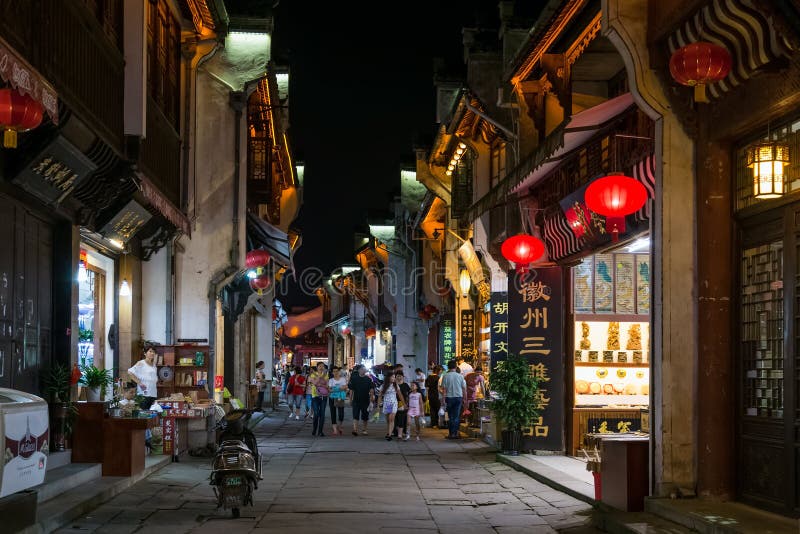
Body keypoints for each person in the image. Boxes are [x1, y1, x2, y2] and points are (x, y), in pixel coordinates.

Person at [440, 359, 467, 439]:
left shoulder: (445, 376)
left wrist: (443, 400)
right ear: (456, 366)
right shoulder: (460, 376)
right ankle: (455, 434)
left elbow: (444, 390)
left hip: (449, 398)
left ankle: (451, 434)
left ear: (448, 367)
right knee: (456, 416)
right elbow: (464, 389)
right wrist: (465, 400)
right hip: (458, 398)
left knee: (450, 416)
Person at [128, 343, 158, 410]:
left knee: (151, 416)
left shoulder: (154, 365)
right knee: (144, 415)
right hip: (144, 395)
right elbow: (130, 372)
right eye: (150, 351)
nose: (152, 353)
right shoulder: (141, 363)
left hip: (153, 394)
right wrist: (139, 383)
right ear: (145, 353)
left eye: (153, 352)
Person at [348, 364, 374, 436]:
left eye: (364, 369)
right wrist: (350, 399)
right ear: (359, 370)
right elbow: (351, 390)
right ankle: (355, 430)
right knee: (355, 415)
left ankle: (365, 429)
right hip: (356, 400)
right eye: (362, 369)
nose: (364, 370)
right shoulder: (354, 379)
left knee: (365, 416)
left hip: (365, 400)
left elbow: (371, 389)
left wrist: (371, 399)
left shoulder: (368, 379)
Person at [378, 373, 404, 441]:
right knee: (388, 420)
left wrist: (404, 403)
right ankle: (389, 432)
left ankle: (389, 435)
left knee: (391, 419)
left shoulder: (396, 385)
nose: (394, 378)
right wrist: (378, 406)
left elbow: (400, 395)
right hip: (387, 404)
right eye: (392, 377)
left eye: (394, 377)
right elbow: (380, 396)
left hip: (393, 404)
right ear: (388, 377)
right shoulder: (383, 386)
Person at [309, 362, 329, 437]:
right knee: (316, 413)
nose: (321, 367)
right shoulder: (313, 375)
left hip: (323, 396)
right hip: (315, 396)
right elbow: (314, 383)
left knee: (322, 414)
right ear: (317, 367)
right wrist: (319, 378)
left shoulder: (326, 375)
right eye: (320, 366)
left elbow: (327, 385)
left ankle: (320, 431)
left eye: (323, 366)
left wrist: (321, 383)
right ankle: (314, 429)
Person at [328, 366, 348, 436]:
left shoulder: (343, 379)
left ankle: (340, 426)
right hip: (332, 398)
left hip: (340, 398)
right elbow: (329, 390)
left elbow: (345, 387)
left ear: (339, 372)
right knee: (333, 413)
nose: (336, 373)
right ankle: (335, 430)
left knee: (341, 414)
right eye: (334, 371)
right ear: (332, 372)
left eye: (337, 371)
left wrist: (335, 388)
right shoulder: (331, 380)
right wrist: (340, 388)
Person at [393, 372, 411, 440]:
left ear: (403, 377)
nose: (399, 377)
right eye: (398, 376)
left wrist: (407, 404)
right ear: (395, 377)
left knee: (402, 418)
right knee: (394, 418)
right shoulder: (393, 385)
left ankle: (401, 432)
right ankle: (395, 432)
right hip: (393, 403)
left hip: (403, 404)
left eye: (400, 376)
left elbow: (409, 394)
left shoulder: (405, 385)